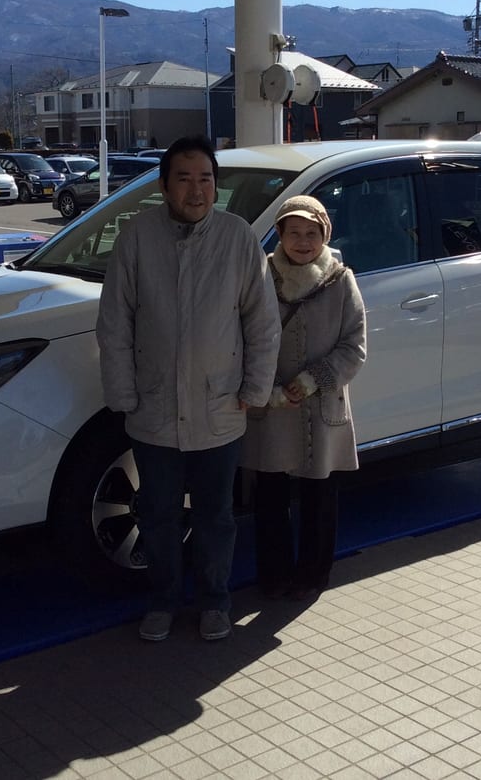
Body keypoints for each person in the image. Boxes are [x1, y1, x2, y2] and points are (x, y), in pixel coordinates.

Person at [97, 135, 280, 642]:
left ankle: (215, 602)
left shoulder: (238, 237)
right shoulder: (137, 237)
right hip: (153, 407)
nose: (196, 190)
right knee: (157, 514)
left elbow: (262, 322)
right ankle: (163, 601)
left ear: (215, 186)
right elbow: (114, 322)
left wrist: (254, 389)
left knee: (215, 515)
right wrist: (123, 394)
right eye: (184, 178)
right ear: (164, 186)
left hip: (220, 406)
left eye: (206, 179)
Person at [242, 195, 367, 601]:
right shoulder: (260, 278)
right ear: (278, 234)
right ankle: (274, 576)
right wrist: (270, 392)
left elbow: (355, 346)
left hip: (321, 404)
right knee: (270, 495)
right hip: (272, 405)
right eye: (293, 232)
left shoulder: (341, 280)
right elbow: (243, 339)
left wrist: (314, 380)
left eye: (312, 233)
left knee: (320, 494)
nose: (303, 241)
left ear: (325, 235)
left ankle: (314, 575)